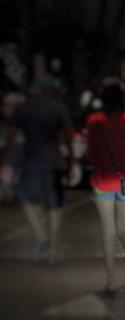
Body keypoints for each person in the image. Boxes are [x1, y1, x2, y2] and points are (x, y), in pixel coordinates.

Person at [0, 75, 80, 263]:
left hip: (32, 163)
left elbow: (13, 137)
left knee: (25, 198)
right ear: (49, 90)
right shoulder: (58, 108)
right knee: (55, 207)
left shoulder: (23, 109)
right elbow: (67, 136)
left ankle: (41, 235)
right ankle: (53, 251)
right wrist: (72, 161)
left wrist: (6, 163)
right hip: (54, 163)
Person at [87, 81, 125, 296]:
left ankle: (112, 282)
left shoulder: (96, 122)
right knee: (124, 228)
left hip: (104, 180)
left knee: (108, 231)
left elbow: (91, 154)